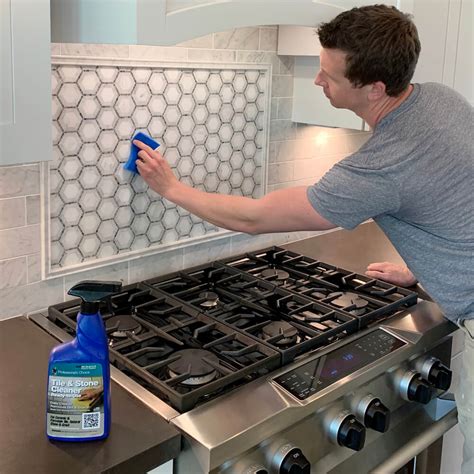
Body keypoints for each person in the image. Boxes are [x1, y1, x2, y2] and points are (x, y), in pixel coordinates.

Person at [133, 4, 473, 471]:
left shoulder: (379, 166)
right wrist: (422, 268)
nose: (317, 80)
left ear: (374, 88)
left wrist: (173, 189)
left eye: (329, 74)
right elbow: (454, 198)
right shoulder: (440, 99)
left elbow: (256, 219)